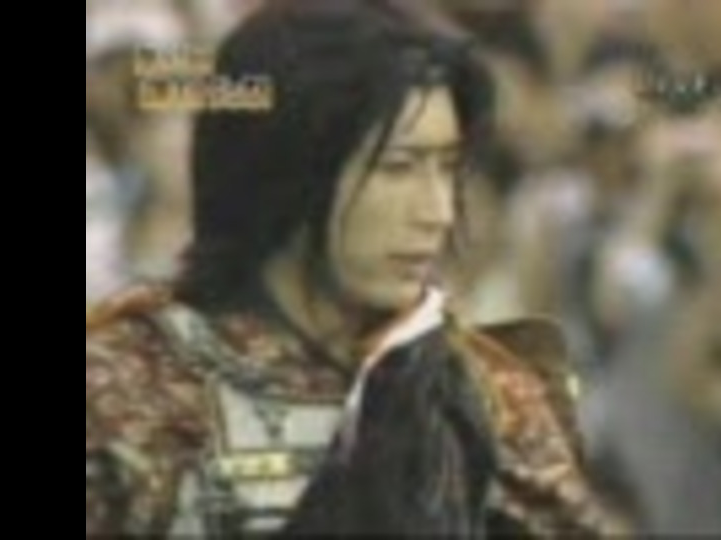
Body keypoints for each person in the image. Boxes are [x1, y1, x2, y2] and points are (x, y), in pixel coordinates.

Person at [86, 1, 617, 537]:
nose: (437, 212)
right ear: (292, 174)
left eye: (447, 169)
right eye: (399, 168)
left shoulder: (481, 395)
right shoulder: (126, 388)